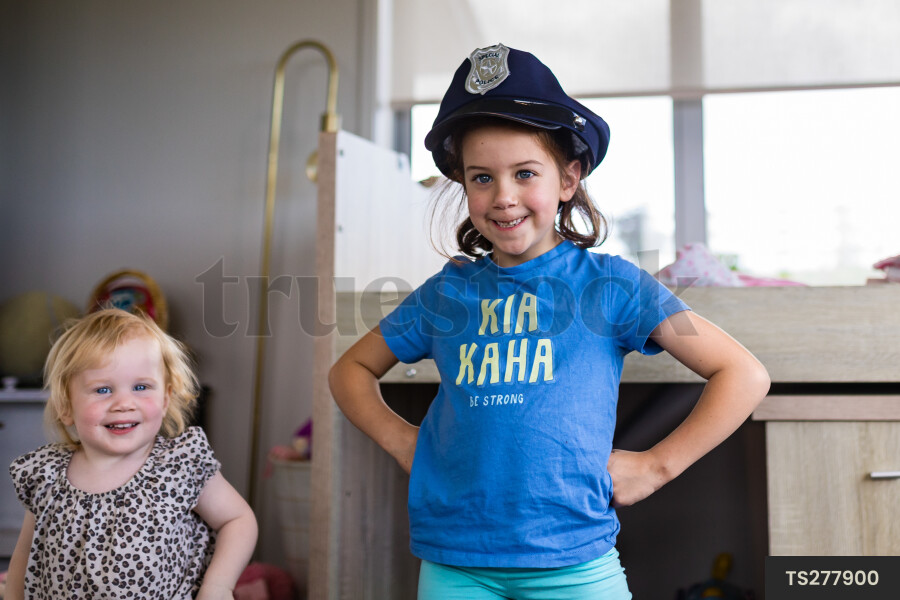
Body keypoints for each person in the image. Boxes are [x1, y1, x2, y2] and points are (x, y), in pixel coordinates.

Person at [329, 44, 770, 600]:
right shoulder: (447, 293)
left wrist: (658, 465)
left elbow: (743, 374)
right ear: (463, 185)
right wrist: (401, 440)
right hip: (455, 562)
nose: (503, 196)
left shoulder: (612, 286)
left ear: (568, 178)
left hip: (576, 561)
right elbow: (350, 370)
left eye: (525, 173)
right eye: (482, 177)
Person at [6, 308, 258, 600]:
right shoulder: (47, 474)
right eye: (102, 390)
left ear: (165, 399)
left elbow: (237, 520)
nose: (124, 403)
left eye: (141, 387)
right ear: (66, 405)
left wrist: (218, 586)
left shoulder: (178, 465)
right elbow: (26, 553)